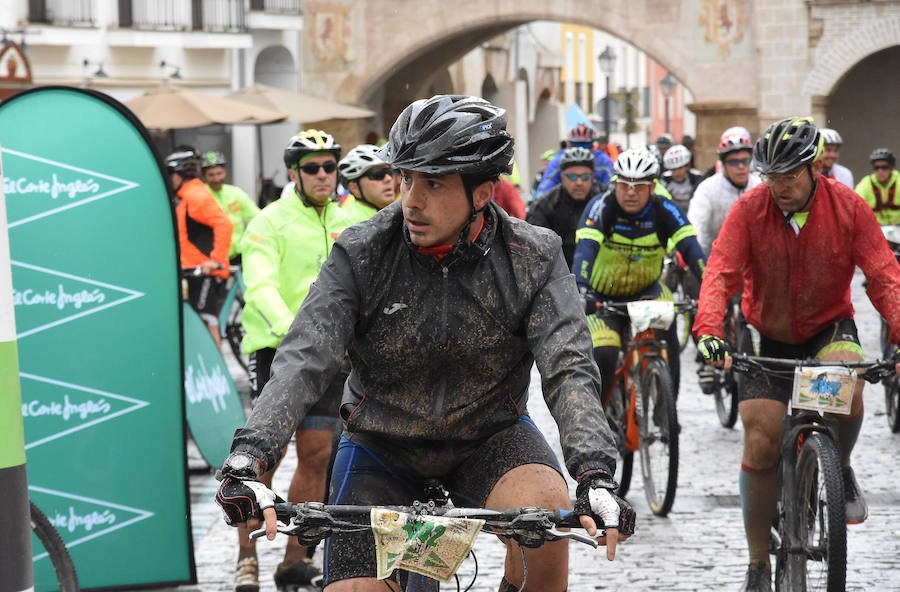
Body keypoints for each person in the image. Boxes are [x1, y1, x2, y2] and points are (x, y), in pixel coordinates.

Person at [215, 94, 635, 592]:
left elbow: (569, 367)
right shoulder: (362, 250)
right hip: (381, 444)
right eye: (407, 178)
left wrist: (595, 475)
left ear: (483, 192)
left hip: (490, 436)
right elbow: (305, 356)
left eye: (433, 183)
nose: (411, 199)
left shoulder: (533, 256)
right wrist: (250, 456)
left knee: (546, 520)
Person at [693, 117, 900, 592]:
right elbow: (721, 271)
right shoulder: (751, 208)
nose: (778, 187)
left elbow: (884, 274)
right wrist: (709, 330)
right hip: (767, 336)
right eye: (771, 177)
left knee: (849, 390)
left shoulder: (848, 207)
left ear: (813, 169)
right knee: (762, 439)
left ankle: (838, 467)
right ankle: (758, 562)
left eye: (789, 177)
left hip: (828, 328)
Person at [231, 129, 359, 592]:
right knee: (266, 455)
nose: (323, 175)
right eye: (312, 168)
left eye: (330, 166)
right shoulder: (268, 221)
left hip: (334, 357)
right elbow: (260, 284)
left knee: (319, 455)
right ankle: (247, 555)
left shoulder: (348, 219)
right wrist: (295, 329)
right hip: (278, 350)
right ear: (294, 174)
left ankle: (293, 562)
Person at [572, 148, 706, 400]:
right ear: (615, 184)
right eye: (625, 185)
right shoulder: (600, 207)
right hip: (603, 297)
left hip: (648, 292)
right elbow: (584, 252)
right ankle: (597, 424)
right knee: (606, 353)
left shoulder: (666, 209)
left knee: (668, 338)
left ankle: (667, 408)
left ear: (652, 187)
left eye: (639, 186)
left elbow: (692, 249)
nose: (631, 192)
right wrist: (580, 289)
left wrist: (709, 289)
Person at [166, 149, 233, 348]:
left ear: (180, 174)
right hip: (194, 271)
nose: (169, 179)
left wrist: (215, 260)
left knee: (207, 323)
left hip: (205, 271)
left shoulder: (196, 195)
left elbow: (224, 224)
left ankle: (216, 374)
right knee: (200, 323)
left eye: (170, 174)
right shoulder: (187, 196)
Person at [687, 126, 761, 256]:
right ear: (723, 165)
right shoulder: (707, 189)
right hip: (715, 259)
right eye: (733, 162)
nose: (741, 167)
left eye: (745, 161)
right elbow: (696, 226)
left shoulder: (759, 185)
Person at [527, 147, 605, 268]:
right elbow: (533, 247)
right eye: (573, 177)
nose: (579, 182)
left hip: (599, 272)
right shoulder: (546, 205)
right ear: (562, 178)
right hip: (560, 274)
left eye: (585, 177)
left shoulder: (605, 200)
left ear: (592, 177)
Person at [202, 151, 260, 264]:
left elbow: (257, 218)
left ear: (225, 172)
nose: (216, 179)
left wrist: (252, 241)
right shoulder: (200, 196)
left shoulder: (235, 193)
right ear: (204, 176)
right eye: (211, 175)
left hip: (238, 256)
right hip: (211, 259)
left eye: (219, 173)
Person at [535, 123, 614, 195]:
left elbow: (611, 186)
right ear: (569, 146)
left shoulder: (604, 161)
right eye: (576, 146)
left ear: (593, 147)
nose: (581, 151)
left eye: (586, 147)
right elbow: (546, 187)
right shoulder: (558, 161)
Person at [337, 143, 396, 222]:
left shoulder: (400, 213)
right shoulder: (345, 223)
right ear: (355, 188)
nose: (388, 179)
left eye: (390, 172)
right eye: (378, 174)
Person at [856, 147, 899, 226]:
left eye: (884, 167)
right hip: (875, 229)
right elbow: (855, 204)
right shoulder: (866, 183)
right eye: (876, 168)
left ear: (892, 168)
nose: (880, 171)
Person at [661, 143, 703, 214]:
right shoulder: (665, 180)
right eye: (674, 169)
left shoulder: (696, 178)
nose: (677, 173)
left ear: (687, 166)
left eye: (680, 168)